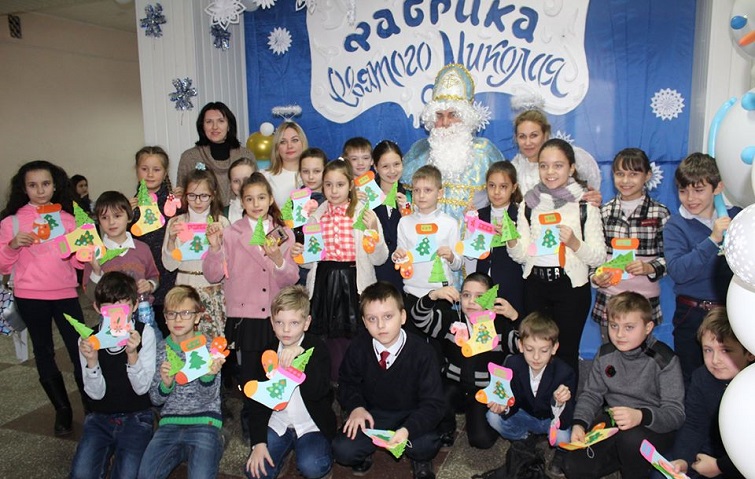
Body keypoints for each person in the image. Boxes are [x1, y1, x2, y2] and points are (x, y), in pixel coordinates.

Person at [203, 172, 299, 439]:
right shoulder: (231, 234)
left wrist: (278, 259)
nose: (256, 204)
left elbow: (291, 278)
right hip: (245, 315)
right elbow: (212, 275)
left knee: (276, 372)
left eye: (261, 198)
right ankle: (251, 420)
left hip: (276, 316)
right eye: (249, 199)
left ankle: (275, 420)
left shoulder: (284, 234)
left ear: (270, 200)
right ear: (241, 202)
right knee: (250, 375)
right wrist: (214, 248)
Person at [0, 160, 87, 436]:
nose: (40, 190)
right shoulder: (12, 222)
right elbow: (3, 265)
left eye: (46, 184)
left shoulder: (68, 219)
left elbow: (79, 263)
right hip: (30, 296)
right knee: (43, 351)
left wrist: (80, 251)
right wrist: (13, 245)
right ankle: (62, 409)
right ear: (23, 188)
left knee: (80, 348)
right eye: (33, 185)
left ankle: (92, 406)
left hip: (65, 293)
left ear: (55, 185)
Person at [506, 138, 606, 375]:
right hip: (535, 287)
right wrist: (511, 240)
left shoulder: (585, 204)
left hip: (570, 288)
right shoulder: (529, 204)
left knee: (566, 353)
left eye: (558, 165)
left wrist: (574, 243)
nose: (550, 172)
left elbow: (599, 257)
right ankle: (537, 397)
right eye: (544, 165)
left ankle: (565, 399)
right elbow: (522, 255)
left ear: (571, 168)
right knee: (535, 351)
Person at [563, 292, 685, 478]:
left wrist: (641, 416)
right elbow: (591, 394)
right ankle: (619, 459)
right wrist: (579, 423)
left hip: (652, 426)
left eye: (629, 327)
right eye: (614, 326)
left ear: (648, 327)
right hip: (615, 421)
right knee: (574, 465)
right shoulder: (605, 354)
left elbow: (676, 414)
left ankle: (634, 468)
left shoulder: (664, 359)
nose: (619, 334)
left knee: (630, 441)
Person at [332, 281, 445, 479]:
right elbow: (347, 382)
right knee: (343, 450)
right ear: (364, 322)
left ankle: (419, 458)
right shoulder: (359, 347)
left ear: (403, 316)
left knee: (426, 445)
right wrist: (356, 407)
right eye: (372, 319)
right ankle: (365, 452)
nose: (381, 325)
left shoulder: (423, 352)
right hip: (373, 414)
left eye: (388, 316)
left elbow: (433, 403)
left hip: (412, 414)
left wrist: (408, 429)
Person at [291, 159, 388, 381]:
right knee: (328, 339)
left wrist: (373, 231)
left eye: (340, 184)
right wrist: (299, 253)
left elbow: (380, 258)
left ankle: (357, 382)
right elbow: (310, 262)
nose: (334, 191)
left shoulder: (365, 214)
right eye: (328, 185)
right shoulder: (316, 216)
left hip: (355, 281)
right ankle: (332, 383)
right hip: (324, 281)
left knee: (356, 336)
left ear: (351, 185)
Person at [411, 272, 519, 450]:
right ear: (460, 297)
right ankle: (447, 427)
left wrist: (515, 317)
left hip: (482, 390)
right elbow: (419, 318)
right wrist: (433, 296)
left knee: (481, 440)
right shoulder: (451, 319)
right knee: (440, 398)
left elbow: (524, 344)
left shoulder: (499, 326)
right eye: (466, 295)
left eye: (479, 296)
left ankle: (481, 417)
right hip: (453, 385)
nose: (471, 301)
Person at [69, 272, 156, 479]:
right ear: (97, 308)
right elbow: (94, 395)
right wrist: (92, 361)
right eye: (109, 309)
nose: (117, 315)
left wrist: (132, 355)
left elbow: (142, 389)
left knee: (128, 474)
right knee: (81, 474)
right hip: (100, 416)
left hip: (137, 415)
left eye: (123, 308)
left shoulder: (144, 333)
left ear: (135, 306)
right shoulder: (88, 340)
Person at [664, 153, 740, 385]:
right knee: (692, 378)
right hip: (692, 313)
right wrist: (712, 240)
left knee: (733, 376)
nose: (690, 198)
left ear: (718, 188)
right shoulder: (676, 225)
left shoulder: (737, 217)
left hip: (731, 313)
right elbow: (678, 271)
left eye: (698, 190)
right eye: (683, 191)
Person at [244, 285, 335, 479]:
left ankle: (311, 454)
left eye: (294, 323)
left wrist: (301, 359)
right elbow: (257, 403)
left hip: (311, 425)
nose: (286, 330)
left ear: (306, 323)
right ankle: (282, 457)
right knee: (255, 471)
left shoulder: (317, 348)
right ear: (272, 322)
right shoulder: (267, 353)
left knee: (313, 466)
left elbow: (317, 391)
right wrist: (258, 443)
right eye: (279, 322)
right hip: (278, 423)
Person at [137, 285, 226, 479]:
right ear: (165, 318)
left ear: (197, 317)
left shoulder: (209, 348)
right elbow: (155, 399)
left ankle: (218, 440)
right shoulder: (160, 350)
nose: (178, 320)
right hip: (169, 423)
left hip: (205, 422)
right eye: (172, 314)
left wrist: (208, 376)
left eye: (185, 313)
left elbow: (208, 398)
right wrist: (166, 384)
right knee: (146, 475)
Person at [401, 63, 505, 218]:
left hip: (472, 233)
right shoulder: (418, 151)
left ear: (466, 118)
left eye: (453, 115)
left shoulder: (485, 152)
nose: (445, 123)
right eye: (439, 115)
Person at [661, 308, 751, 479]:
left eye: (726, 351)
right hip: (708, 454)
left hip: (742, 463)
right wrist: (683, 460)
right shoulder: (702, 377)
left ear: (750, 353)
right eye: (708, 350)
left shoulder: (749, 385)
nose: (715, 360)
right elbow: (694, 425)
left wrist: (720, 466)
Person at [591, 148, 670, 342]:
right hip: (610, 298)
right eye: (620, 174)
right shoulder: (603, 212)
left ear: (647, 175)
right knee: (610, 350)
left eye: (633, 174)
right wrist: (595, 277)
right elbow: (594, 255)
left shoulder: (659, 213)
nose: (625, 180)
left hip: (644, 300)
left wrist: (650, 267)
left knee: (642, 354)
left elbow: (670, 257)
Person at [485, 312, 575, 475]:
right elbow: (512, 398)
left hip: (550, 419)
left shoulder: (564, 372)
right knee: (493, 416)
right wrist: (504, 406)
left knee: (564, 438)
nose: (536, 357)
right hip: (525, 414)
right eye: (529, 349)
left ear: (554, 348)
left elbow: (567, 418)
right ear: (520, 345)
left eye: (544, 350)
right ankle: (524, 437)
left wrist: (560, 403)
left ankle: (561, 452)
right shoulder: (512, 364)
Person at [162, 167, 230, 340]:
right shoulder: (176, 222)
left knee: (214, 344)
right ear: (185, 196)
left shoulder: (221, 222)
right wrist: (171, 240)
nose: (198, 201)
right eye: (192, 195)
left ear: (213, 195)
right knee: (186, 342)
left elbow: (229, 264)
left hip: (213, 289)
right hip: (184, 286)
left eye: (204, 196)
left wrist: (220, 241)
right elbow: (169, 265)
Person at [394, 165, 463, 310]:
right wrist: (397, 256)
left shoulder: (449, 223)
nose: (421, 195)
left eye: (427, 190)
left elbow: (458, 264)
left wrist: (451, 256)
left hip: (442, 295)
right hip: (412, 293)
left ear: (439, 193)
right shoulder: (404, 222)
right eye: (416, 190)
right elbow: (401, 255)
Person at [129, 146, 179, 338]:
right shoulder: (130, 206)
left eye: (156, 169)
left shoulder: (175, 204)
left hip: (171, 276)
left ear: (165, 173)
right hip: (143, 279)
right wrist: (126, 215)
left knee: (172, 329)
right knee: (145, 333)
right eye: (144, 169)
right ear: (136, 170)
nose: (150, 174)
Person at [509, 107, 601, 202]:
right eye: (522, 136)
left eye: (534, 135)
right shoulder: (513, 170)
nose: (527, 142)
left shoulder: (566, 164)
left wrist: (591, 200)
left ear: (545, 135)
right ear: (516, 138)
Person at [83, 191, 160, 304]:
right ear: (98, 221)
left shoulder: (142, 248)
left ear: (129, 217)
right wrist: (96, 271)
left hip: (143, 310)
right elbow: (90, 295)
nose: (111, 222)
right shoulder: (95, 253)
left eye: (117, 216)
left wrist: (150, 285)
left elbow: (154, 277)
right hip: (112, 313)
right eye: (104, 217)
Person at [473, 161, 525, 318]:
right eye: (492, 186)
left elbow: (524, 255)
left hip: (511, 286)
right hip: (483, 287)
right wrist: (470, 224)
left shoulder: (521, 216)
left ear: (514, 188)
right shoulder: (479, 215)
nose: (496, 192)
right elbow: (471, 252)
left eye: (503, 187)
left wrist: (510, 235)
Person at [177, 101, 256, 206]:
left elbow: (256, 189)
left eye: (221, 121)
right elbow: (181, 197)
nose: (215, 127)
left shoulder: (246, 155)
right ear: (202, 126)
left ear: (229, 125)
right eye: (209, 122)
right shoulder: (189, 157)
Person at [373, 140, 409, 292]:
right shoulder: (365, 196)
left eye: (396, 164)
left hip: (403, 272)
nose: (392, 171)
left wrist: (407, 214)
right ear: (375, 167)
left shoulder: (411, 195)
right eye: (385, 166)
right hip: (373, 271)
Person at [263, 121, 308, 207]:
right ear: (276, 148)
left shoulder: (316, 174)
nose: (289, 146)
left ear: (303, 143)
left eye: (294, 140)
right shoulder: (265, 177)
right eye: (283, 142)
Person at [224, 157, 258, 224]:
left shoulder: (266, 210)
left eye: (246, 180)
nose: (241, 185)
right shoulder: (224, 214)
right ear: (230, 183)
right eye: (236, 181)